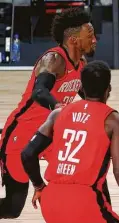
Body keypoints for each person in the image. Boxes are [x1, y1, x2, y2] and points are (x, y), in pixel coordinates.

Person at [21, 60, 119, 223]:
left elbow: (27, 154)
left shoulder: (57, 114)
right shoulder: (116, 122)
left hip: (50, 202)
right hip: (84, 202)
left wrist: (39, 186)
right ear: (109, 89)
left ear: (81, 89)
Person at [0, 7, 97, 218]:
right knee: (13, 208)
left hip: (50, 136)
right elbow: (39, 92)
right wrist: (57, 106)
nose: (94, 40)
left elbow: (91, 98)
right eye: (89, 35)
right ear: (73, 39)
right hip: (21, 133)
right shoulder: (54, 59)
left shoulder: (81, 65)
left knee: (79, 179)